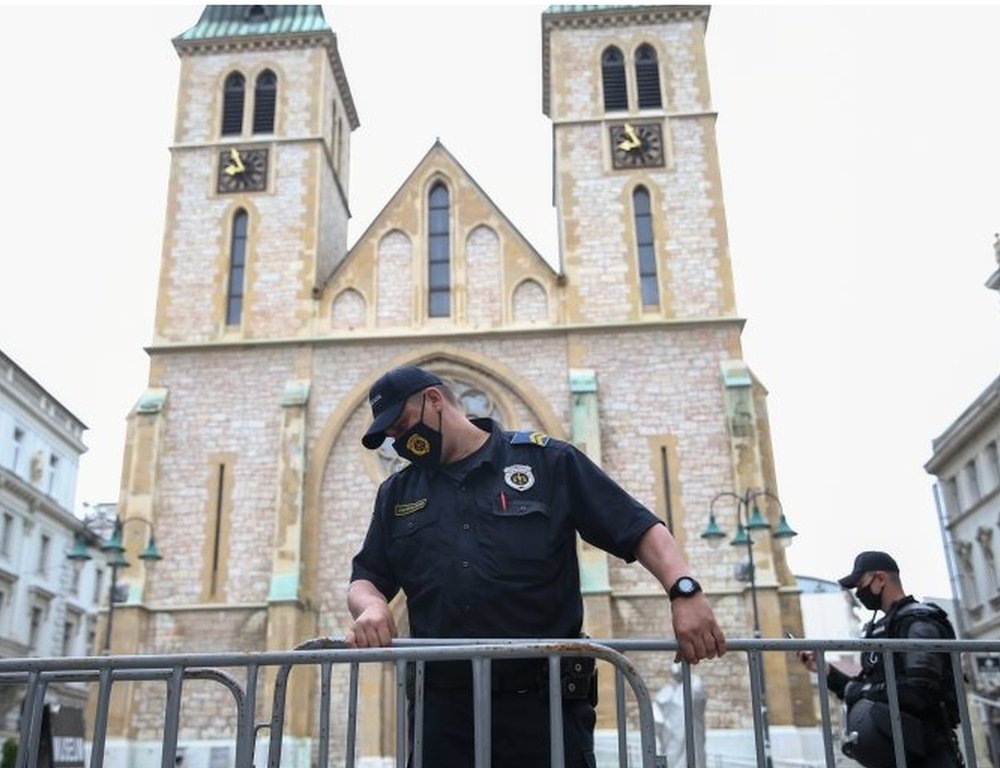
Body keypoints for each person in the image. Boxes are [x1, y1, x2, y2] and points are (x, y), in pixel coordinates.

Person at [347, 365, 727, 767]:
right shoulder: (397, 494)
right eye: (392, 438)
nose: (402, 443)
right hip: (443, 716)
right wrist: (371, 606)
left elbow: (637, 528)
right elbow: (365, 578)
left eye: (403, 426)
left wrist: (684, 590)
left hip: (544, 711)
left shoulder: (548, 462)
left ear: (435, 401)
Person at [797, 551, 963, 768]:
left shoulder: (919, 622)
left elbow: (919, 690)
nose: (859, 592)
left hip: (927, 751)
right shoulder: (879, 629)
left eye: (861, 583)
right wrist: (823, 669)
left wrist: (863, 692)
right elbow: (866, 690)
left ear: (881, 579)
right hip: (895, 750)